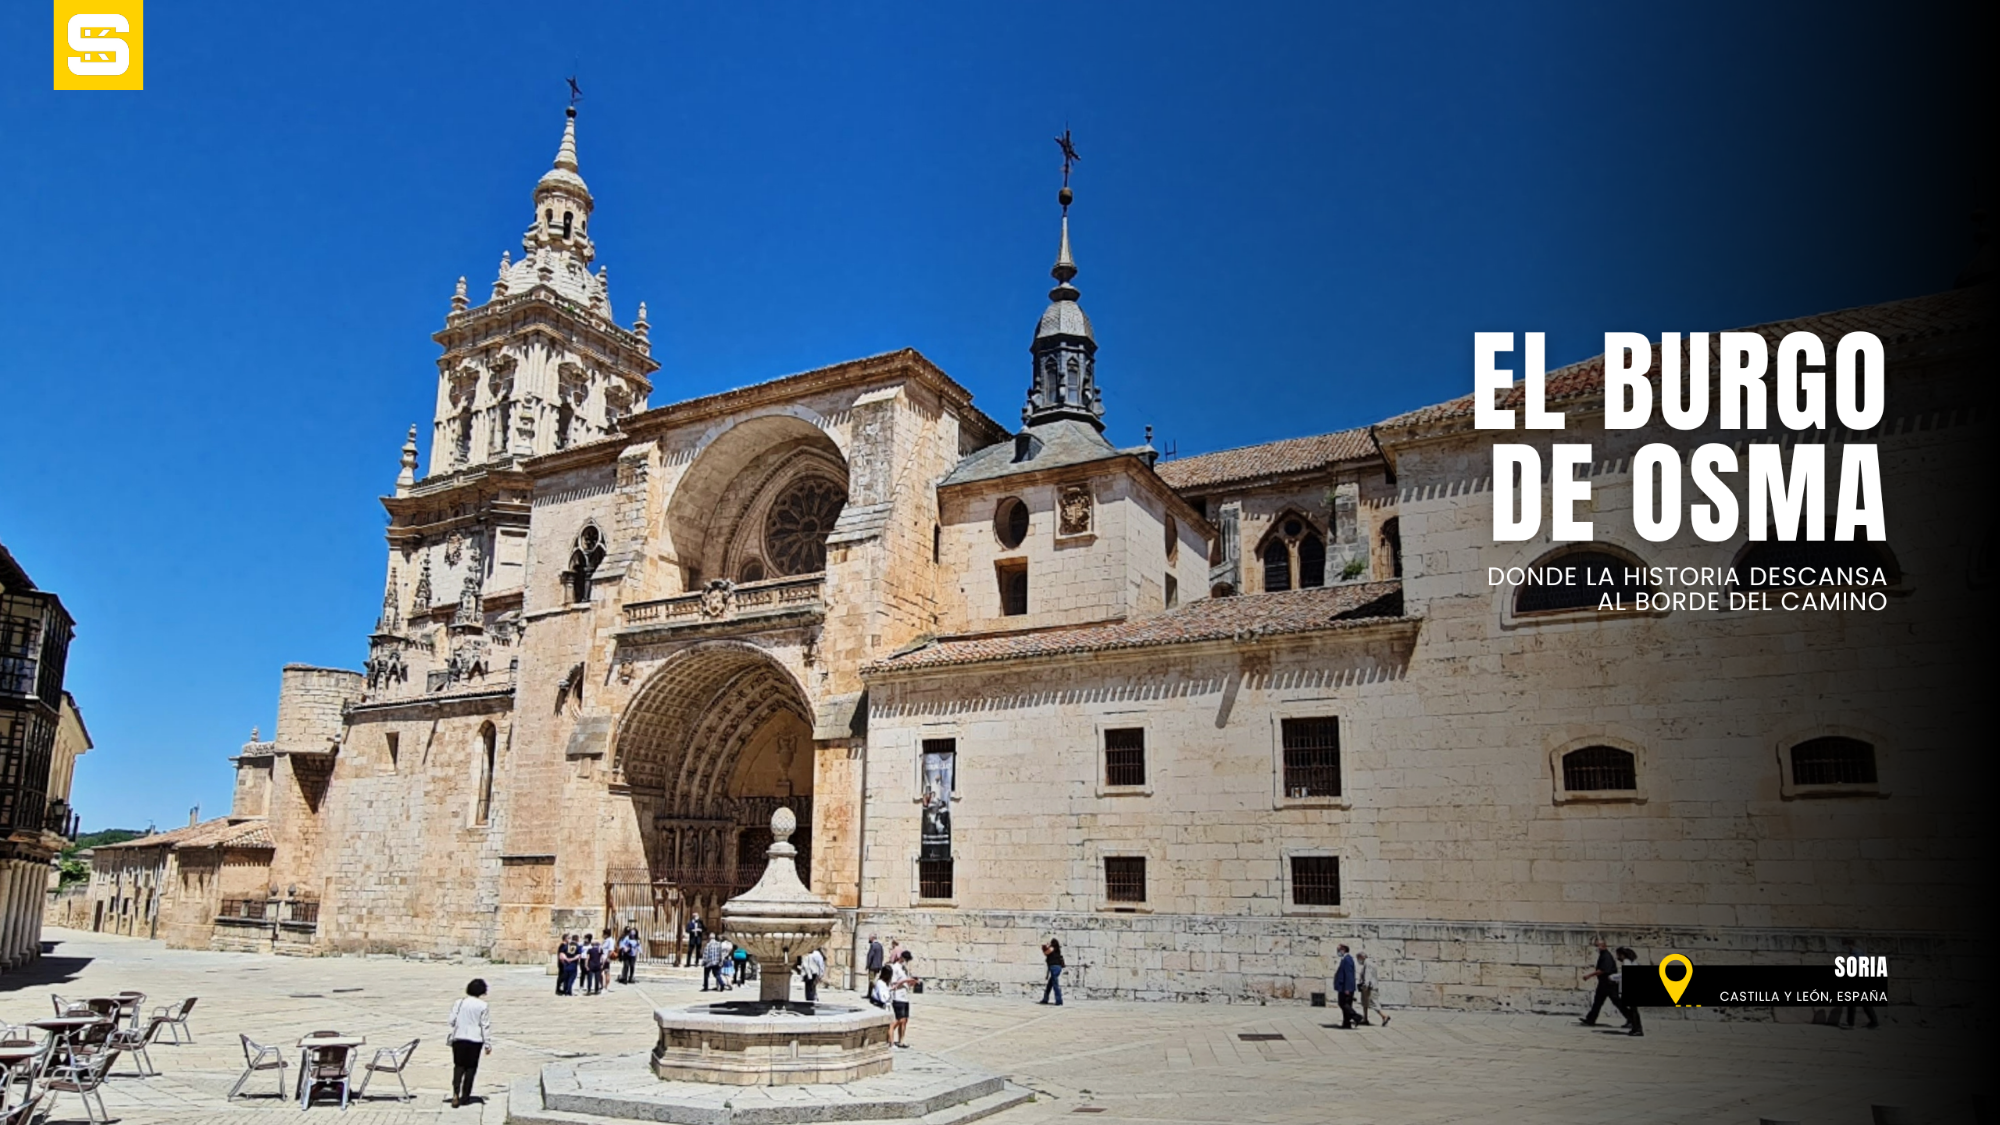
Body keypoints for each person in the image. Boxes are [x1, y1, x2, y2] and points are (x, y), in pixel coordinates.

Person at [446, 978, 492, 1109]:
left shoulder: (459, 1003)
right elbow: (485, 1026)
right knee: (471, 1068)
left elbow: (451, 1020)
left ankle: (455, 1093)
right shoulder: (483, 1006)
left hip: (459, 1039)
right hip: (475, 1041)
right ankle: (465, 1096)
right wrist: (487, 1044)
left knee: (458, 1066)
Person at [1838, 937, 1879, 1030]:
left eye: (1847, 946)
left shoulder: (1855, 954)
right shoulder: (1860, 953)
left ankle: (1850, 1023)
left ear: (1850, 945)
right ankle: (1874, 1022)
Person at [1579, 938, 1620, 1026]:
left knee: (1617, 1002)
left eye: (1597, 946)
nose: (1596, 948)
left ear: (1602, 946)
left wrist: (1589, 976)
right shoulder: (1603, 955)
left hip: (1609, 984)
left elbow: (1602, 970)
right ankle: (1590, 1019)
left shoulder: (1606, 956)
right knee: (1597, 1002)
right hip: (1604, 983)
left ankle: (1632, 1019)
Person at [889, 950, 919, 1047]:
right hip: (898, 996)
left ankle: (901, 1040)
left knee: (905, 1020)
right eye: (905, 959)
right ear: (901, 958)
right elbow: (894, 983)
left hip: (905, 996)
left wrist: (912, 982)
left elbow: (904, 983)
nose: (906, 962)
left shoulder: (903, 969)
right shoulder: (895, 968)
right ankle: (889, 1037)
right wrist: (907, 980)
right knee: (899, 1019)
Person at [1613, 947, 1642, 1037]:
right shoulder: (1633, 962)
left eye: (1618, 955)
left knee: (1632, 1010)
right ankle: (1635, 1027)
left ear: (1622, 954)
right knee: (1633, 1010)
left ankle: (1637, 1028)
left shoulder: (1626, 962)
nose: (1617, 957)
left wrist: (1613, 977)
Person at [1332, 944, 1362, 1029]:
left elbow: (1348, 975)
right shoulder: (1345, 959)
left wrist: (1347, 988)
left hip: (1345, 987)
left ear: (1343, 949)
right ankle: (1346, 1023)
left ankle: (1356, 1017)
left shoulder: (1347, 959)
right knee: (1346, 1005)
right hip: (1343, 987)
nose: (1338, 952)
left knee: (1343, 1003)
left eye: (1339, 950)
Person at [1357, 951, 1388, 1026]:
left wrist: (1365, 985)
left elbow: (1368, 974)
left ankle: (1384, 1016)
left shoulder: (1367, 963)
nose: (1358, 960)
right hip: (1369, 986)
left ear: (1362, 957)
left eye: (1358, 958)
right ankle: (1365, 1019)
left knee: (1373, 1003)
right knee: (1365, 1003)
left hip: (1369, 988)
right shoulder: (1370, 962)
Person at [1039, 938, 1065, 1005]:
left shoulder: (1052, 948)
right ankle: (1045, 999)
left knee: (1055, 985)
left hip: (1054, 968)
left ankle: (1059, 1001)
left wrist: (1044, 947)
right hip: (1058, 968)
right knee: (1049, 985)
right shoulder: (1057, 950)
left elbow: (1046, 953)